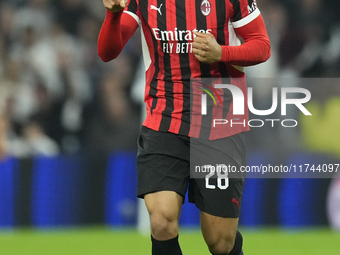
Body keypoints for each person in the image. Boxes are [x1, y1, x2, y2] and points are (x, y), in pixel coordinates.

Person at [98, 0, 270, 254]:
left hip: (219, 124)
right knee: (161, 221)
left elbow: (262, 46)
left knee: (220, 242)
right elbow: (107, 52)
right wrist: (113, 15)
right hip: (164, 120)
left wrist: (222, 53)